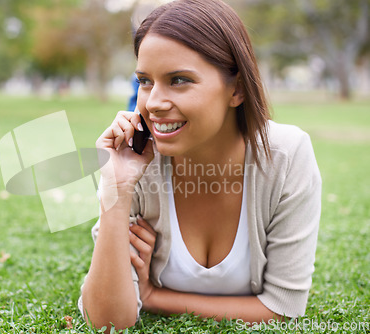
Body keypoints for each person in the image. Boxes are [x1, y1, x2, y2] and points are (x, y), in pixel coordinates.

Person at [78, 0, 322, 330]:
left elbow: (283, 307)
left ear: (236, 88)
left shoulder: (286, 156)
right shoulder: (137, 162)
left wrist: (153, 298)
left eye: (179, 80)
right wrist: (117, 191)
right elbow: (106, 322)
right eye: (145, 81)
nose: (154, 103)